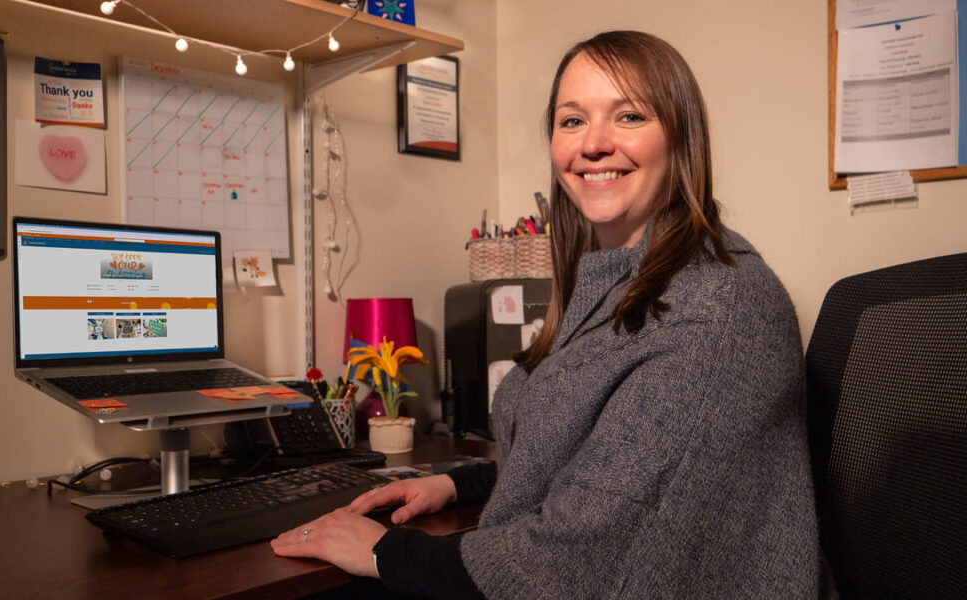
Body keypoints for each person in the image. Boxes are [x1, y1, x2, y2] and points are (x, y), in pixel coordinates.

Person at [272, 30, 820, 598]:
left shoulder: (715, 309)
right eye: (572, 120)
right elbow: (588, 461)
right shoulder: (612, 280)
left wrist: (384, 550)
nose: (594, 144)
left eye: (629, 116)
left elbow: (581, 559)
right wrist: (460, 485)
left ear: (680, 137)